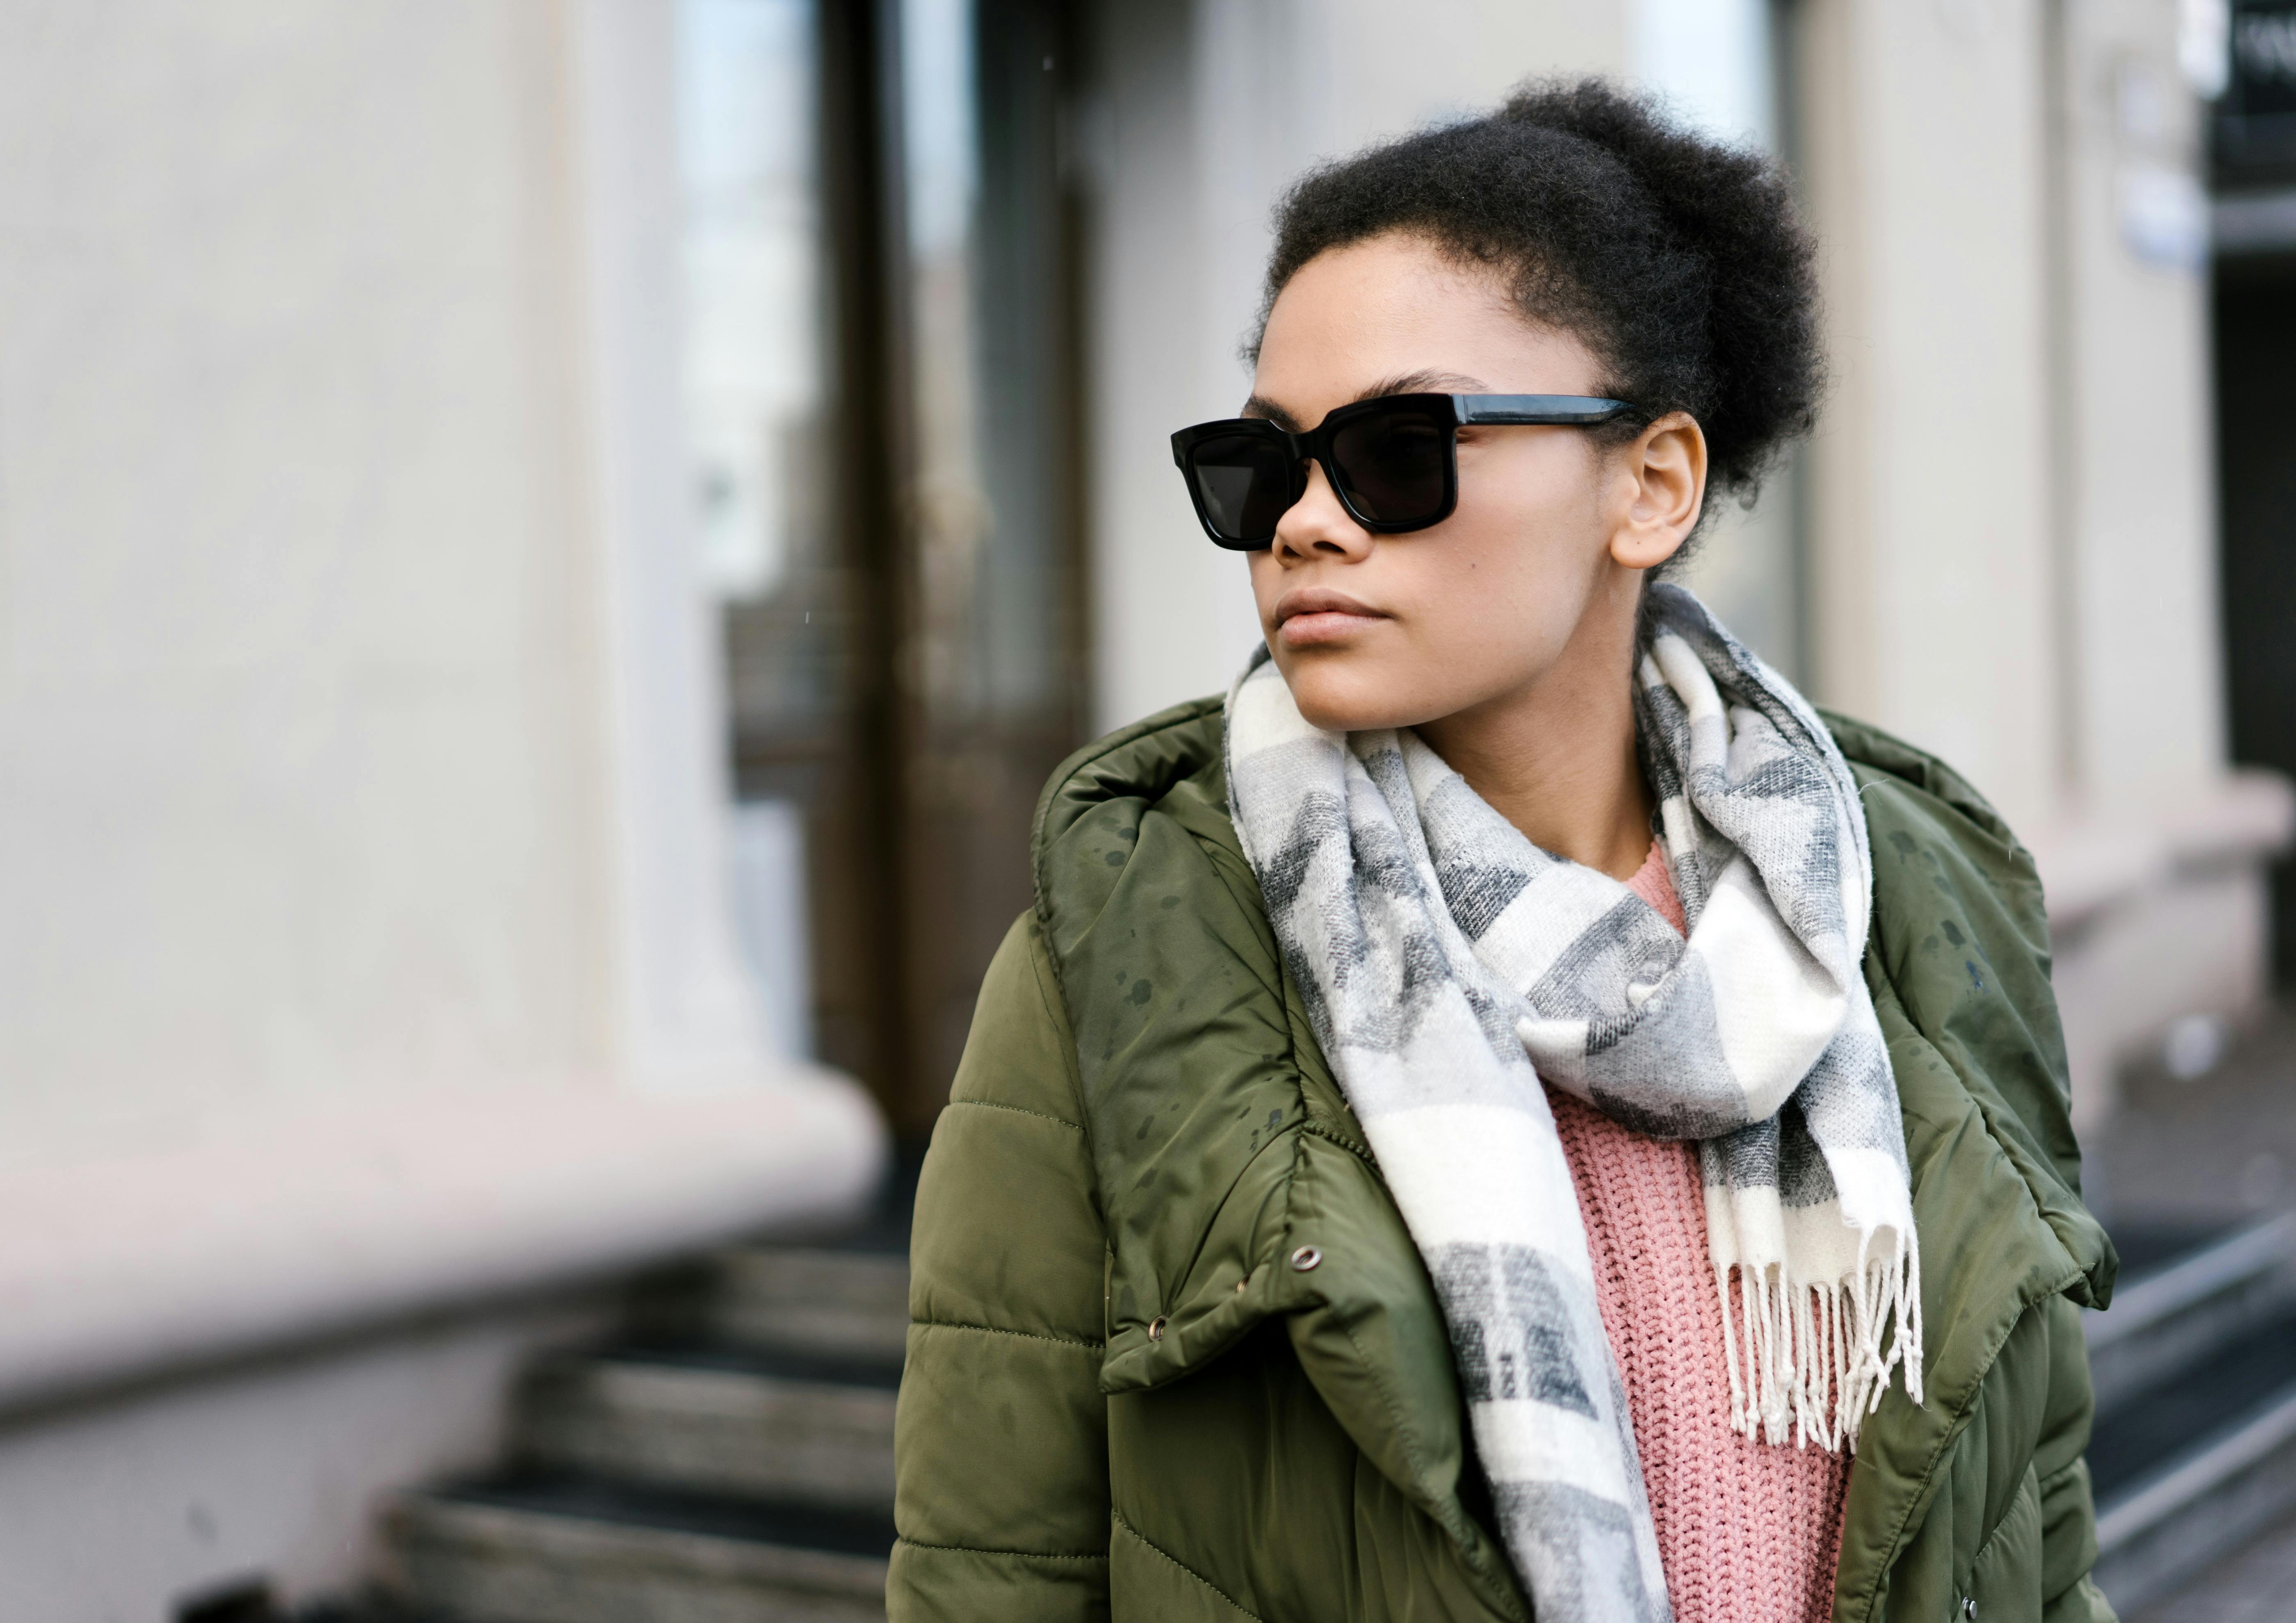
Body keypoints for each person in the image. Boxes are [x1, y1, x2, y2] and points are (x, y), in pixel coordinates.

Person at [886, 78, 2116, 1623]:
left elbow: (2037, 1537)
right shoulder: (1132, 949)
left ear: (1650, 485)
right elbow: (992, 1575)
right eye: (1262, 466)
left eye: (1399, 451)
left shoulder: (1911, 905)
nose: (1307, 526)